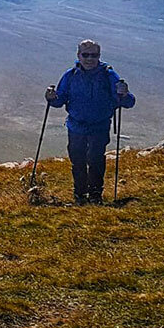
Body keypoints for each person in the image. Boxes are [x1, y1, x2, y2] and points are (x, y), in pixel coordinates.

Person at [45, 39, 135, 205]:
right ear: (78, 55)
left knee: (95, 160)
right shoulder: (70, 75)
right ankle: (80, 194)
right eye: (85, 55)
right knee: (78, 161)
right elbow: (59, 100)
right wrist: (51, 97)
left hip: (98, 127)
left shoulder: (108, 75)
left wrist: (124, 94)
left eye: (93, 55)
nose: (89, 59)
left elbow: (128, 102)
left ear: (99, 56)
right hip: (76, 126)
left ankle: (94, 194)